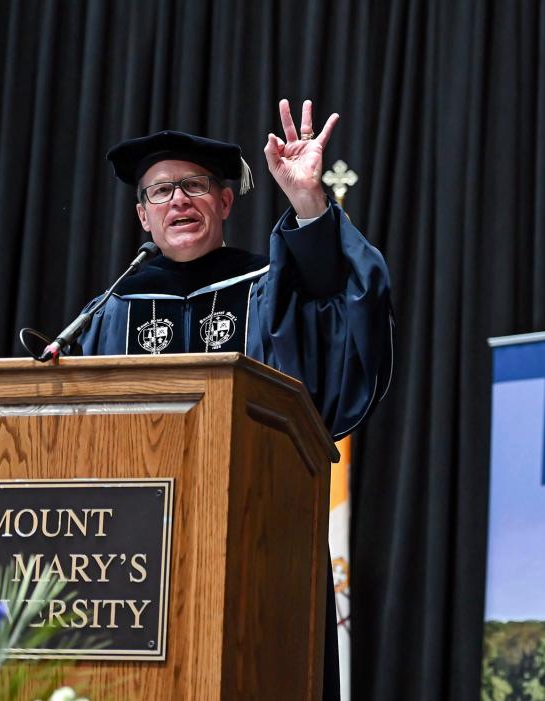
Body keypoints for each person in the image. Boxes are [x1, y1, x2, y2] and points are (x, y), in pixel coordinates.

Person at [78, 99, 393, 701]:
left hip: (258, 536)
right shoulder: (111, 311)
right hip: (131, 559)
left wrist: (308, 202)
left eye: (194, 186)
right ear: (142, 216)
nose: (178, 200)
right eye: (160, 191)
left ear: (225, 202)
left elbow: (348, 311)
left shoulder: (271, 290)